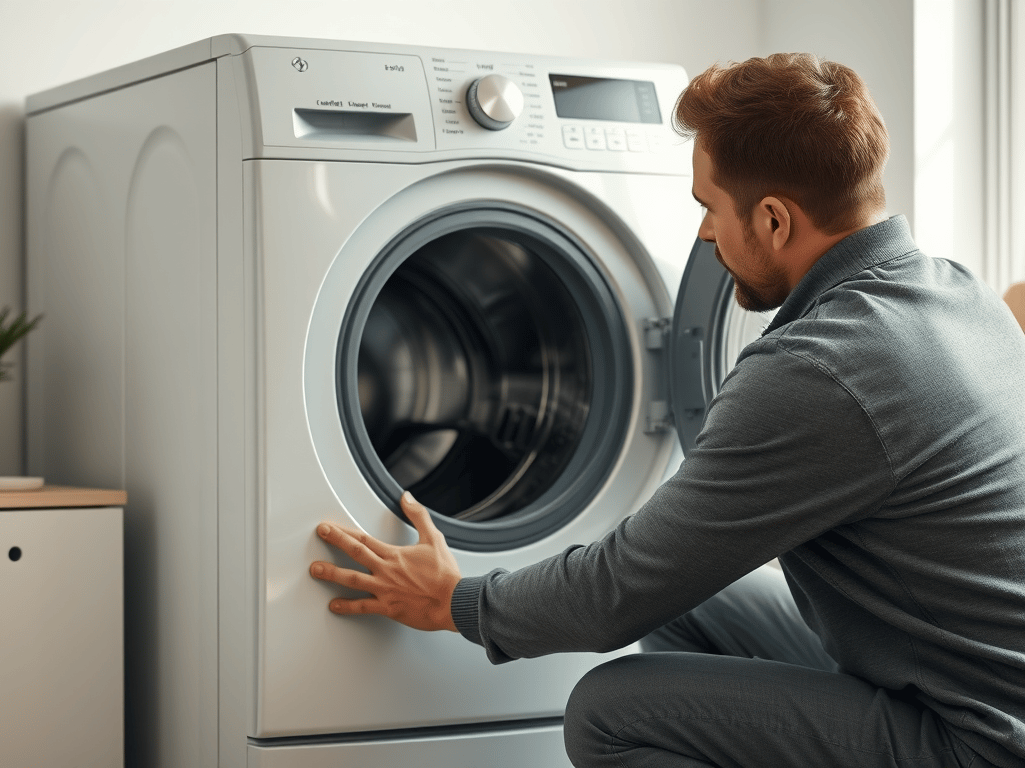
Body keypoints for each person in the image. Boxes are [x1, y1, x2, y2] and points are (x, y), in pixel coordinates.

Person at [309, 53, 1025, 767]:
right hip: (971, 683)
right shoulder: (956, 291)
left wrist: (457, 602)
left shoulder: (822, 370)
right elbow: (661, 577)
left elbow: (619, 591)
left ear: (775, 220)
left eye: (709, 208)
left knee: (607, 712)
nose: (706, 236)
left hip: (975, 739)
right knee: (693, 599)